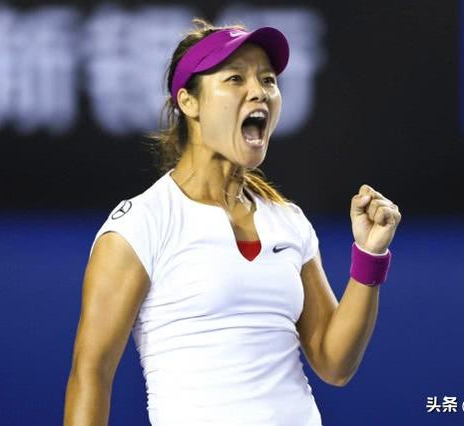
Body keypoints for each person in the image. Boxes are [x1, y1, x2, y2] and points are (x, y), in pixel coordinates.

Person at [64, 18, 401, 426]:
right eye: (236, 79)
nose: (259, 91)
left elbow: (335, 363)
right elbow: (91, 374)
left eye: (268, 80)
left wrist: (370, 254)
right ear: (189, 103)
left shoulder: (288, 221)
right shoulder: (140, 225)